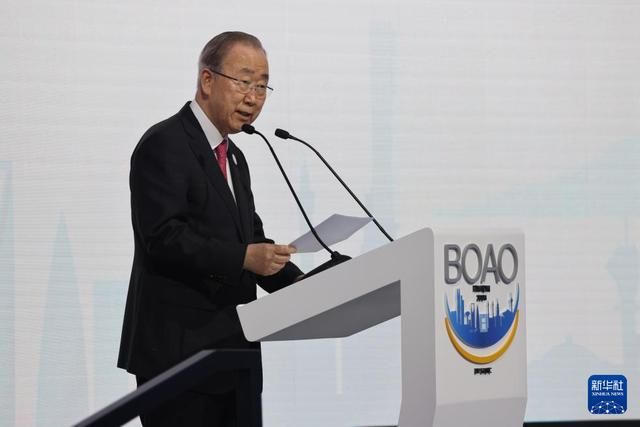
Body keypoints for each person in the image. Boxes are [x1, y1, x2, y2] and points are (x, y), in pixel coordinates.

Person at [117, 31, 302, 426]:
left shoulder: (235, 158)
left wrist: (307, 285)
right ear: (207, 80)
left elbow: (251, 240)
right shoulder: (164, 143)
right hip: (178, 360)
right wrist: (244, 258)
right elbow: (163, 238)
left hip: (234, 357)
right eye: (245, 82)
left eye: (263, 86)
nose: (254, 97)